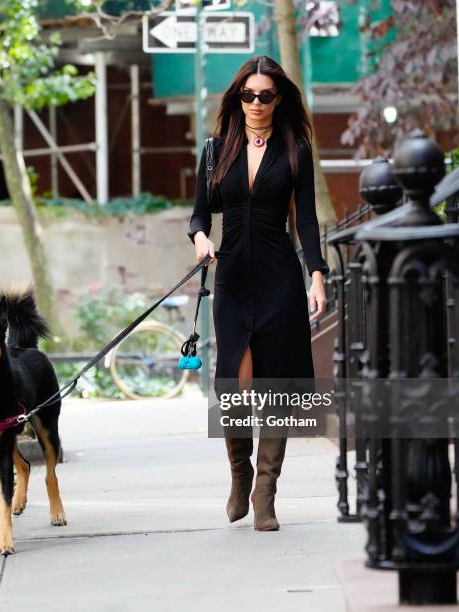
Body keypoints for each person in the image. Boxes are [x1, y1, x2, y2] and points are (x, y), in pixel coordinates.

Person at [188, 55, 329, 531]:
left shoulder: (296, 150)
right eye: (248, 94)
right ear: (238, 98)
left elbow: (305, 220)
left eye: (265, 95)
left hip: (278, 278)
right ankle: (239, 473)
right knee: (235, 386)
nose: (255, 103)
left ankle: (265, 493)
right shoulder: (215, 150)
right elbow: (198, 215)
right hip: (231, 278)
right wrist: (202, 239)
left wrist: (317, 274)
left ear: (279, 98)